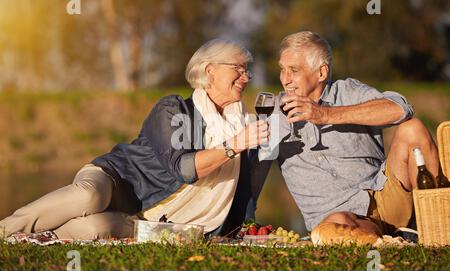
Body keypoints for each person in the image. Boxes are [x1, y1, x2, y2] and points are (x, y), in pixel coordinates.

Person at [0, 39, 269, 240]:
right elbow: (184, 169)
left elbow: (244, 189)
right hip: (116, 180)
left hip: (152, 218)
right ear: (210, 71)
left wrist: (239, 228)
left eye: (247, 71)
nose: (246, 77)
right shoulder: (173, 109)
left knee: (98, 228)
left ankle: (40, 236)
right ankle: (6, 231)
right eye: (238, 69)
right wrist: (234, 145)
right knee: (89, 197)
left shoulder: (243, 124)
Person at [256, 31, 439, 238]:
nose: (285, 79)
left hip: (385, 196)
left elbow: (400, 109)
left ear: (321, 73)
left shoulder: (348, 91)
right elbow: (254, 172)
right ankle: (393, 237)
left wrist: (325, 115)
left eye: (294, 70)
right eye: (282, 70)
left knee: (412, 128)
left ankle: (436, 224)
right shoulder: (274, 115)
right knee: (337, 225)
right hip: (339, 220)